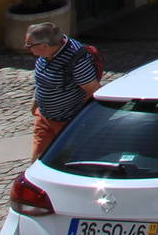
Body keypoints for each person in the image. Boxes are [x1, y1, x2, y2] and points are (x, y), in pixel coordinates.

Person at [26, 22, 101, 158]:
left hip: (68, 124)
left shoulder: (76, 59)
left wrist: (80, 121)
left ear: (44, 46)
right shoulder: (45, 55)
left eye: (29, 45)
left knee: (67, 160)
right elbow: (41, 82)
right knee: (38, 160)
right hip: (44, 118)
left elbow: (93, 90)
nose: (26, 47)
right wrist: (36, 102)